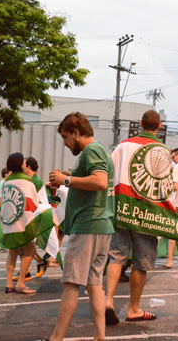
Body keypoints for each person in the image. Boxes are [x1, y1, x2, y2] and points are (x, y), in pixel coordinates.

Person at [47, 112, 115, 341]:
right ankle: (99, 337)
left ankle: (56, 338)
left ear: (76, 133)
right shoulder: (102, 150)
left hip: (88, 224)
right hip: (103, 225)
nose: (65, 144)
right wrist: (66, 176)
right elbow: (93, 178)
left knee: (71, 283)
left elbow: (99, 181)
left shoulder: (91, 150)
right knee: (94, 283)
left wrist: (66, 180)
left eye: (66, 137)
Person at [105, 110, 168, 325]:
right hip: (147, 213)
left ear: (140, 123)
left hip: (122, 208)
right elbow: (165, 189)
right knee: (141, 262)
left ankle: (108, 301)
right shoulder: (162, 150)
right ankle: (133, 309)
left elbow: (109, 175)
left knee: (116, 257)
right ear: (158, 126)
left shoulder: (122, 146)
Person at [1, 153, 42, 294]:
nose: (25, 163)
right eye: (24, 161)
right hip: (23, 222)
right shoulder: (27, 181)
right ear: (21, 164)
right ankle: (21, 283)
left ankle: (8, 284)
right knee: (29, 250)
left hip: (9, 221)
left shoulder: (7, 181)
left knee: (12, 252)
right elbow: (32, 202)